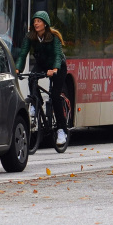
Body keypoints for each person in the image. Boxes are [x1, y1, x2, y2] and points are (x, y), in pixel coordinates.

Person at [15, 11, 69, 145]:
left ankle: (62, 131)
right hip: (42, 64)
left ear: (45, 23)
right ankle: (35, 102)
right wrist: (17, 69)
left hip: (58, 67)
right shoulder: (30, 37)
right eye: (34, 21)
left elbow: (57, 55)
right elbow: (23, 54)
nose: (36, 23)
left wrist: (55, 69)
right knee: (32, 78)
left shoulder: (53, 37)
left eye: (38, 21)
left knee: (55, 97)